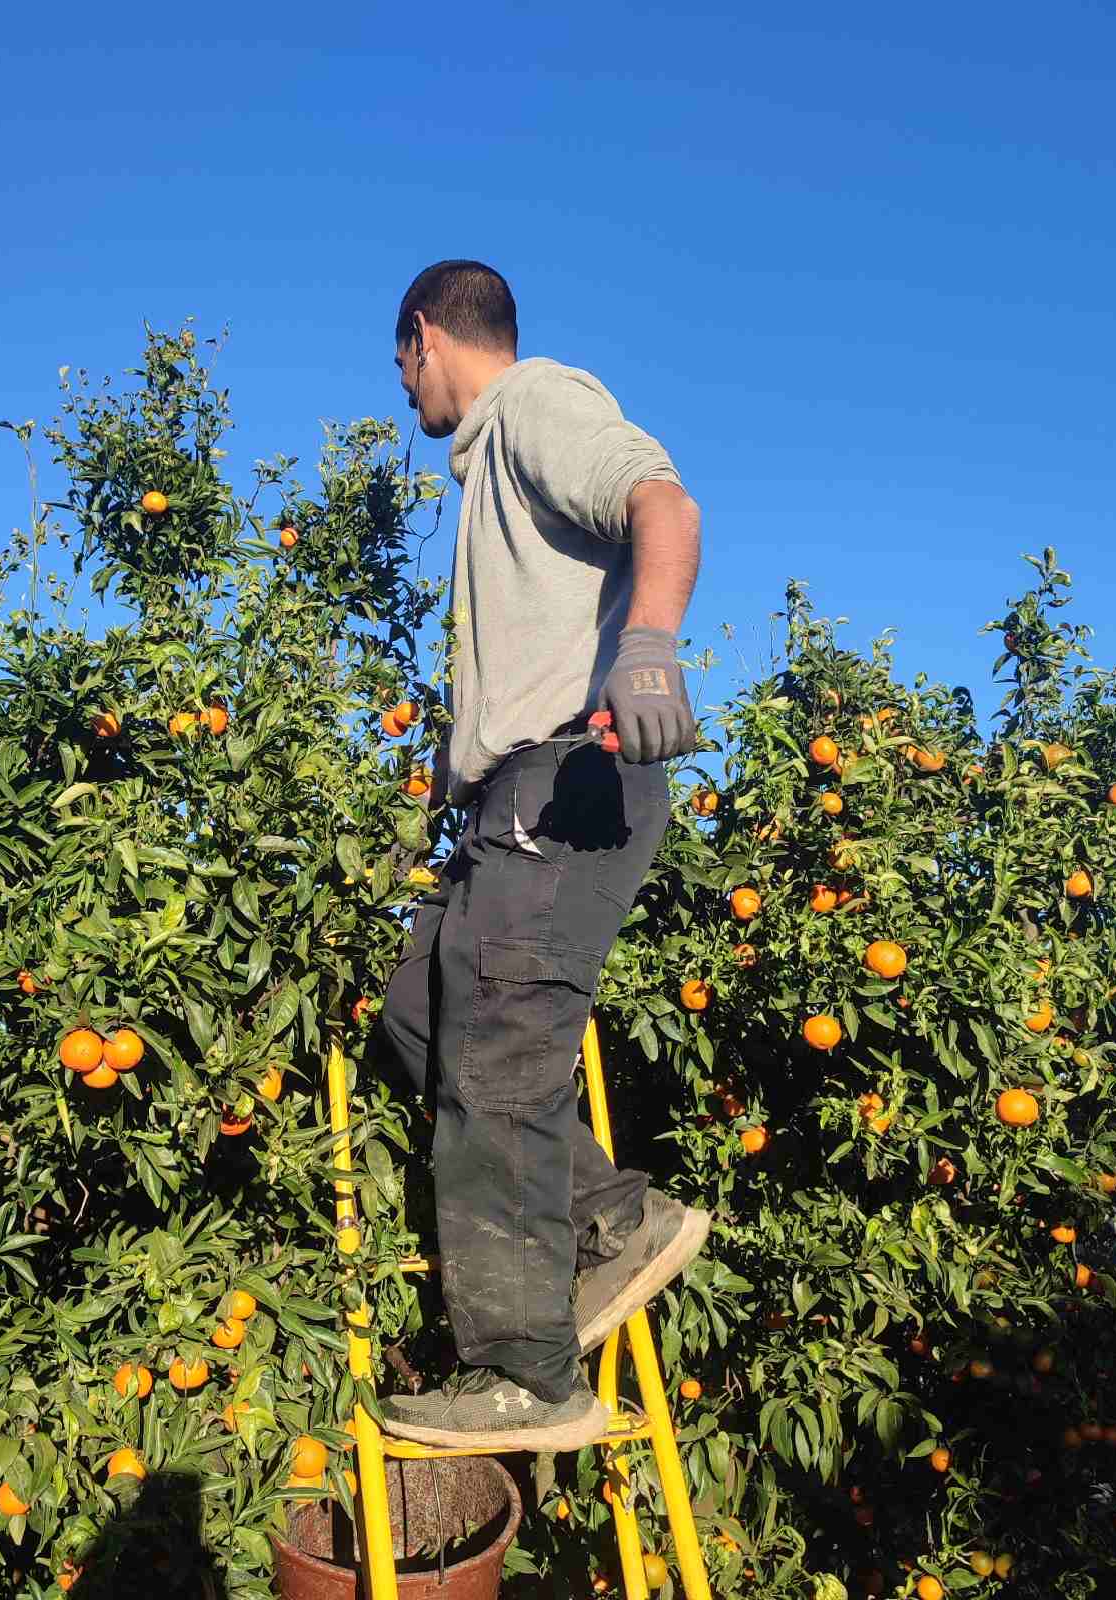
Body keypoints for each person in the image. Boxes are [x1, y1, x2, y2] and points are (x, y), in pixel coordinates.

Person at [374, 260, 711, 1451]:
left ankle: (525, 1372)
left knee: (497, 1061)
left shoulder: (534, 404)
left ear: (424, 337)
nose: (405, 390)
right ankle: (613, 1217)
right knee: (418, 1014)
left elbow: (661, 500)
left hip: (566, 778)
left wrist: (652, 645)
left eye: (399, 365)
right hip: (504, 804)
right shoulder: (494, 464)